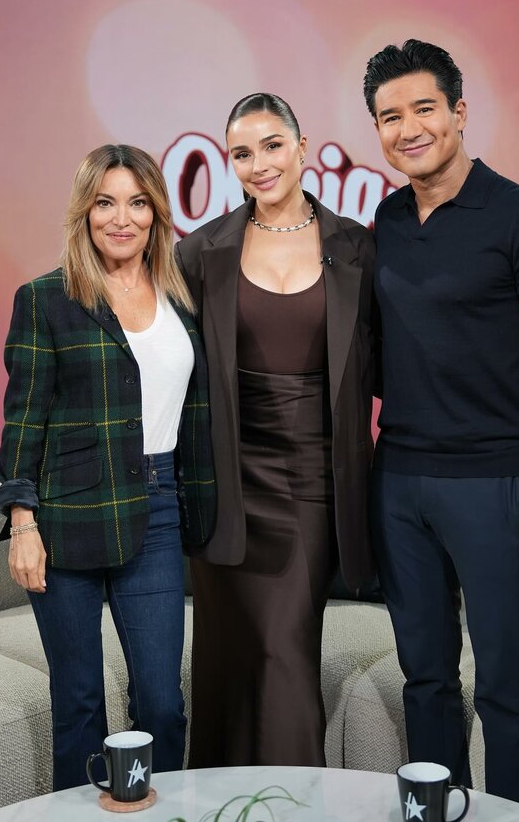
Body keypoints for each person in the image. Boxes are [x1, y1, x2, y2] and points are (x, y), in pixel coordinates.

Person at [364, 40, 519, 811]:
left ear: (459, 112)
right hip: (399, 480)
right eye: (389, 117)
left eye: (424, 109)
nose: (409, 129)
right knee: (425, 680)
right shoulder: (388, 219)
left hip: (494, 483)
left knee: (504, 686)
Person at [0, 144, 216, 791]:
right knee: (80, 703)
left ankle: (158, 807)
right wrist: (23, 521)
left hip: (158, 507)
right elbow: (24, 419)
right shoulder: (46, 299)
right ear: (84, 213)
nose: (122, 218)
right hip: (66, 518)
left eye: (138, 203)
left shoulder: (184, 298)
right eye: (105, 203)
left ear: (157, 213)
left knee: (163, 703)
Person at [175, 92, 376, 768]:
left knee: (285, 648)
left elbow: (386, 361)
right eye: (241, 153)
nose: (258, 164)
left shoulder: (356, 246)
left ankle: (296, 804)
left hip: (314, 481)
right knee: (226, 659)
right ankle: (217, 803)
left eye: (271, 146)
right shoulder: (200, 252)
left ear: (301, 147)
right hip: (227, 481)